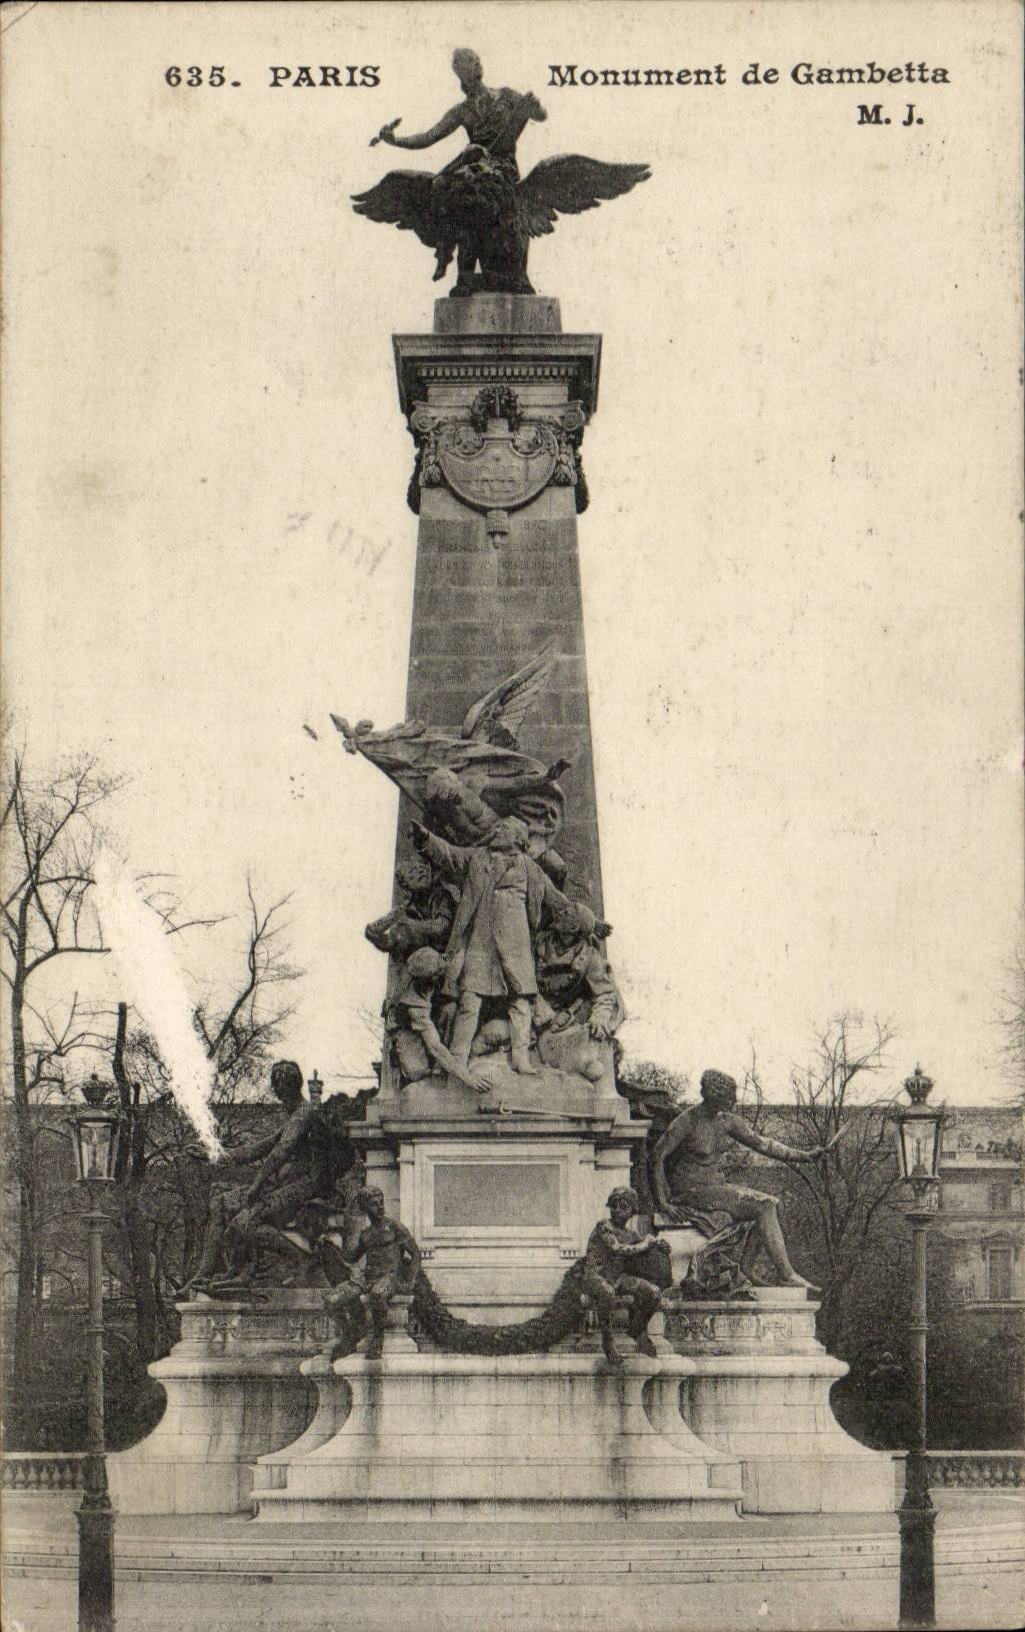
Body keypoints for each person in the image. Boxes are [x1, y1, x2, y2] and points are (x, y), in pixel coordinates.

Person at [370, 49, 547, 293]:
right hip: (476, 171)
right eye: (465, 67)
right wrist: (394, 140)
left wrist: (536, 108)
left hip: (504, 174)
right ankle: (452, 260)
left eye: (474, 63)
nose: (473, 69)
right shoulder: (462, 111)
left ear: (480, 66)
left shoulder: (507, 96)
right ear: (460, 76)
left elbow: (540, 115)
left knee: (512, 219)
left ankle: (514, 273)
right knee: (451, 197)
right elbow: (428, 137)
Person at [651, 1069, 841, 1292]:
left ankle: (749, 1267)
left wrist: (805, 1156)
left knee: (769, 1203)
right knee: (764, 1205)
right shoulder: (687, 1121)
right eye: (730, 1097)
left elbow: (763, 1144)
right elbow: (657, 1156)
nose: (735, 1101)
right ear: (715, 1098)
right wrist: (663, 1202)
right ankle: (786, 1275)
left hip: (714, 1188)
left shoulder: (727, 1122)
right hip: (690, 1191)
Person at [412, 814, 571, 1074]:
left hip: (516, 946)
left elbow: (555, 900)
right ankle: (457, 1059)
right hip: (480, 944)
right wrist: (426, 839)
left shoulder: (530, 867)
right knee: (469, 1001)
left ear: (518, 839)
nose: (498, 832)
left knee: (521, 1002)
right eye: (499, 828)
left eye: (504, 829)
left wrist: (589, 923)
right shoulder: (478, 857)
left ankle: (521, 1059)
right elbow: (451, 855)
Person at [190, 1060, 327, 1292]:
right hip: (284, 1185)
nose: (277, 1091)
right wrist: (210, 1154)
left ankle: (301, 1261)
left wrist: (257, 1184)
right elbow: (254, 1150)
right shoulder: (294, 1116)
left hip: (304, 1187)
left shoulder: (304, 1114)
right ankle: (204, 1274)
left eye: (278, 1086)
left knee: (245, 1222)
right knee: (220, 1203)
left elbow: (279, 1153)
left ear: (282, 1088)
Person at [323, 1187, 421, 1361]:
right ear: (365, 1208)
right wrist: (333, 1245)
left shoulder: (394, 1227)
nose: (380, 1206)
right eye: (374, 1204)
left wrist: (410, 1280)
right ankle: (350, 1334)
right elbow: (352, 1257)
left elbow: (415, 1254)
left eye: (381, 1202)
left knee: (377, 1295)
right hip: (367, 1277)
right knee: (332, 1300)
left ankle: (378, 1337)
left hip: (389, 1277)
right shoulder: (366, 1234)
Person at [385, 946, 494, 1094]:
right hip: (408, 1031)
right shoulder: (413, 1004)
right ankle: (423, 1063)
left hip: (431, 1015)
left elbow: (458, 954)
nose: (440, 977)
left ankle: (440, 1067)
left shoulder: (434, 961)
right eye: (437, 976)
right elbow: (435, 1046)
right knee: (416, 1071)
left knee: (450, 1009)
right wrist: (468, 1079)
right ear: (428, 979)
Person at [582, 1187, 671, 1366]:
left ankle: (637, 1329)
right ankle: (608, 1342)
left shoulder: (632, 1234)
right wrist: (646, 1243)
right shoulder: (604, 1226)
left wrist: (661, 1247)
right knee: (606, 1292)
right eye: (614, 1205)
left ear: (632, 1211)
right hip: (596, 1275)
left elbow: (641, 1255)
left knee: (653, 1293)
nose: (618, 1210)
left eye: (623, 1206)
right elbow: (618, 1249)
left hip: (619, 1277)